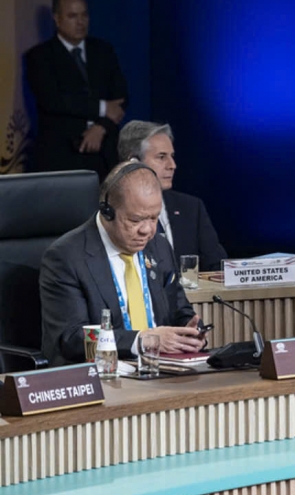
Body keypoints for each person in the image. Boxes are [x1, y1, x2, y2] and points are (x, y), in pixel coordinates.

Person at [40, 162, 205, 366]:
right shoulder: (66, 257)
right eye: (136, 220)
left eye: (154, 218)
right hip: (103, 372)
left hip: (161, 369)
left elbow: (179, 309)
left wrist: (191, 331)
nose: (147, 230)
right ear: (107, 211)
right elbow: (72, 337)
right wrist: (141, 341)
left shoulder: (159, 246)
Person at [25, 0, 127, 180]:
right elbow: (53, 101)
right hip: (61, 158)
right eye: (72, 16)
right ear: (57, 19)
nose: (80, 22)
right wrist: (102, 108)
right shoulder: (40, 56)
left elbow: (120, 98)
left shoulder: (104, 50)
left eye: (84, 15)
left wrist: (101, 127)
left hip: (105, 156)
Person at [118, 120, 228, 271]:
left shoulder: (191, 208)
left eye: (172, 156)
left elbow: (218, 267)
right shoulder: (111, 212)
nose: (172, 165)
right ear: (134, 162)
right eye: (161, 157)